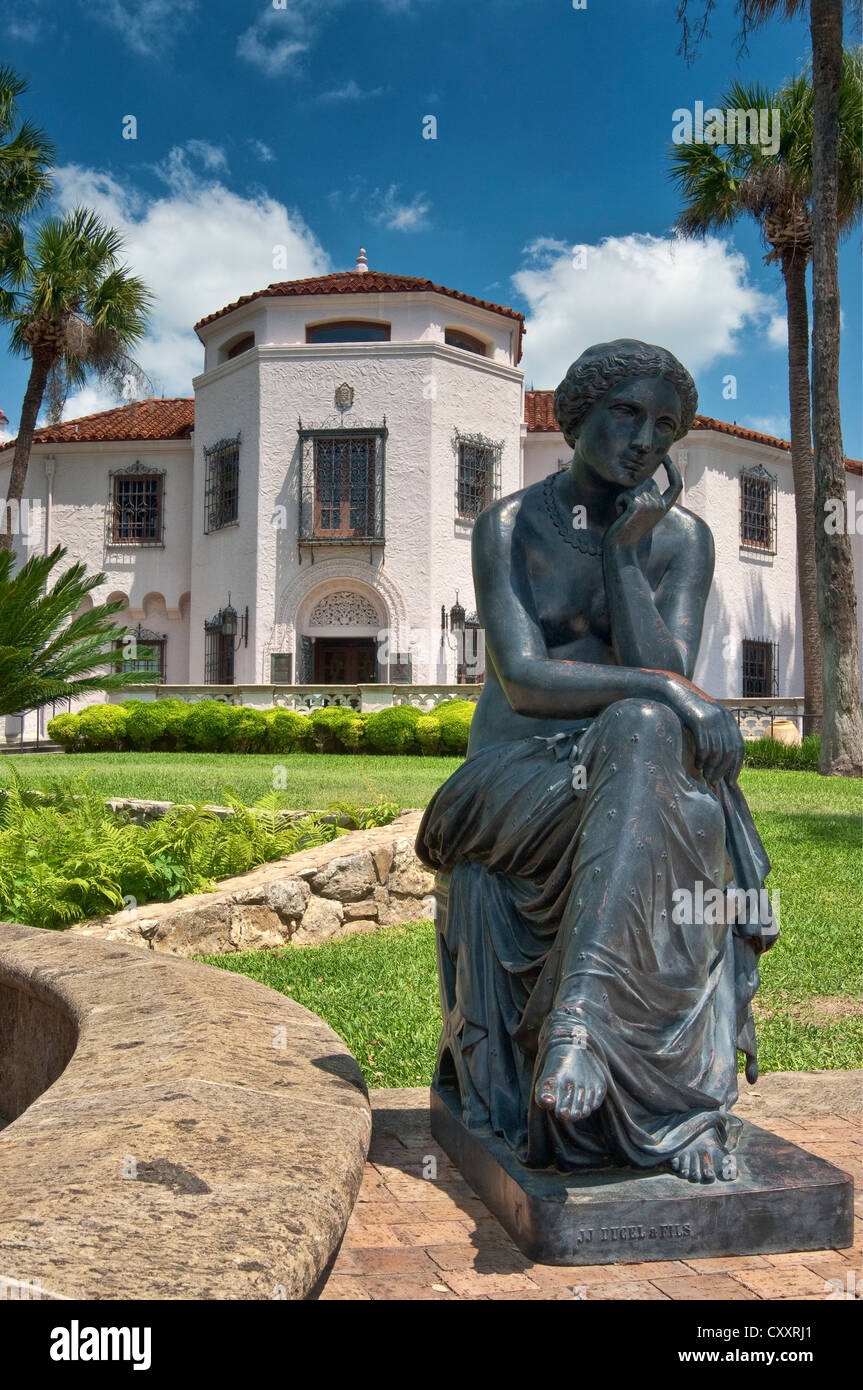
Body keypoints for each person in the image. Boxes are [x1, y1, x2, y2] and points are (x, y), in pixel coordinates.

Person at [416, 339, 778, 1184]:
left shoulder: (680, 540)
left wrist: (623, 555)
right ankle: (632, 1075)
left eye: (664, 425)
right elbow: (529, 679)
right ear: (575, 417)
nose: (645, 438)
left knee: (651, 743)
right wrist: (675, 696)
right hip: (512, 781)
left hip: (628, 767)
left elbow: (664, 672)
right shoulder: (508, 525)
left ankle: (580, 1029)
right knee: (654, 735)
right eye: (625, 413)